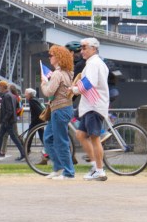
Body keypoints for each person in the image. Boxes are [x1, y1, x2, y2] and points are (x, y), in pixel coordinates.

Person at [71, 37, 111, 181]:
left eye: (84, 47)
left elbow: (89, 83)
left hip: (93, 105)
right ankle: (95, 166)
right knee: (81, 135)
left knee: (94, 138)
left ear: (94, 48)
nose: (81, 51)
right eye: (81, 48)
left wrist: (74, 89)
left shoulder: (94, 63)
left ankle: (100, 170)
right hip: (91, 105)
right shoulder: (96, 63)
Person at [41, 45, 76, 179]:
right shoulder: (67, 72)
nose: (50, 57)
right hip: (64, 109)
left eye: (51, 55)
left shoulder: (57, 74)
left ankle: (68, 172)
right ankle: (58, 167)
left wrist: (44, 83)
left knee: (60, 141)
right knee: (49, 138)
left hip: (59, 110)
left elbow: (49, 92)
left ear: (58, 57)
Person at [0, 81, 26, 161]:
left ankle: (23, 154)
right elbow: (16, 107)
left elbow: (9, 111)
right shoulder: (12, 96)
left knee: (12, 138)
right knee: (2, 136)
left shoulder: (6, 96)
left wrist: (4, 120)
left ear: (2, 87)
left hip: (7, 121)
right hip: (11, 120)